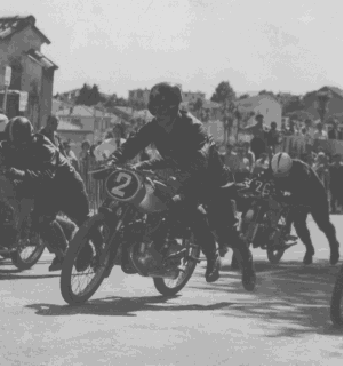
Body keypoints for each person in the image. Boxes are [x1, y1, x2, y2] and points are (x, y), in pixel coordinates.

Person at [108, 82, 256, 290]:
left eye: (165, 110)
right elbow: (134, 143)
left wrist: (180, 180)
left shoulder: (193, 127)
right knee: (161, 199)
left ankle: (235, 260)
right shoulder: (153, 127)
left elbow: (201, 159)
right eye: (156, 110)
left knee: (224, 231)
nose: (161, 117)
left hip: (210, 178)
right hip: (179, 172)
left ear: (175, 108)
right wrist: (114, 159)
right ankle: (156, 248)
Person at [1, 116, 84, 271]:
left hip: (63, 185)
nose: (15, 146)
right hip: (44, 184)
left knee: (43, 219)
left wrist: (22, 174)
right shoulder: (14, 146)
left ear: (26, 137)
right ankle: (66, 230)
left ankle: (67, 253)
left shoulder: (43, 147)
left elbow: (47, 175)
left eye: (18, 141)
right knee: (37, 214)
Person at [266, 152, 341, 265]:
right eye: (278, 176)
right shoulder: (274, 168)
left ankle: (333, 245)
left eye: (284, 175)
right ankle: (309, 249)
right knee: (299, 224)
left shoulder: (302, 170)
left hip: (315, 195)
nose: (280, 178)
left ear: (290, 168)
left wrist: (284, 199)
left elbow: (300, 195)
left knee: (322, 224)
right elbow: (263, 178)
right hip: (294, 194)